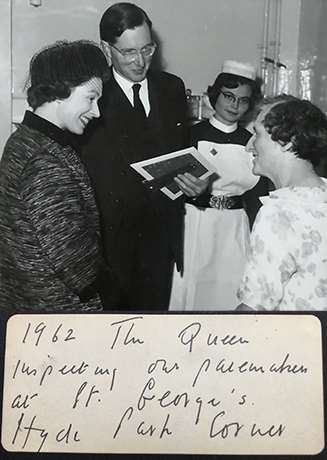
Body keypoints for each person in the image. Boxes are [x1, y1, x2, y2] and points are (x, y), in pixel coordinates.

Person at [82, 2, 187, 310]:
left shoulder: (172, 88)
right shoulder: (92, 93)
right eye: (129, 52)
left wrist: (193, 185)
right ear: (106, 48)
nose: (141, 61)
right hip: (109, 248)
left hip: (161, 240)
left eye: (148, 49)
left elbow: (180, 156)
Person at [0, 40, 110, 312]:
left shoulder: (23, 140)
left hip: (25, 307)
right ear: (61, 90)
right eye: (91, 98)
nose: (97, 111)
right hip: (57, 315)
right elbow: (78, 267)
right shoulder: (45, 160)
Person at [170, 60, 268, 310]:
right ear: (215, 94)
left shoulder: (252, 142)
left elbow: (259, 197)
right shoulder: (192, 135)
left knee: (230, 290)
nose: (235, 105)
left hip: (234, 227)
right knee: (193, 289)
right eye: (229, 96)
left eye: (243, 100)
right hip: (196, 223)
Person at [238, 96, 327, 310]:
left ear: (286, 142)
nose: (249, 146)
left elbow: (254, 308)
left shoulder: (278, 212)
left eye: (257, 134)